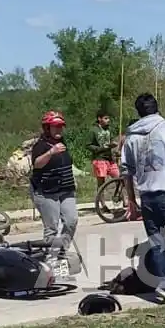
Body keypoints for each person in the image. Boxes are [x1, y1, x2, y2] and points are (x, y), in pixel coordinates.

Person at [120, 93, 165, 304]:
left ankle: (160, 283)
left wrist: (131, 200)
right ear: (157, 107)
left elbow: (127, 170)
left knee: (157, 242)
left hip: (147, 197)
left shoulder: (131, 135)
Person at [28, 111, 77, 275]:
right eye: (55, 127)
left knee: (71, 221)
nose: (59, 130)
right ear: (47, 128)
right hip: (46, 192)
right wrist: (51, 152)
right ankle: (51, 263)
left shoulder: (62, 141)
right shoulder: (40, 145)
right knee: (52, 227)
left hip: (65, 190)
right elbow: (37, 164)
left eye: (60, 127)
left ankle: (61, 252)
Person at [87, 112, 119, 200]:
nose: (108, 120)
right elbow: (88, 145)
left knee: (119, 179)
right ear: (99, 119)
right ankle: (102, 204)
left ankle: (124, 200)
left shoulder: (109, 130)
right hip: (99, 159)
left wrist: (114, 147)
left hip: (110, 159)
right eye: (106, 118)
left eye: (108, 118)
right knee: (101, 183)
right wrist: (100, 148)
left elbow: (111, 140)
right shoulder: (93, 130)